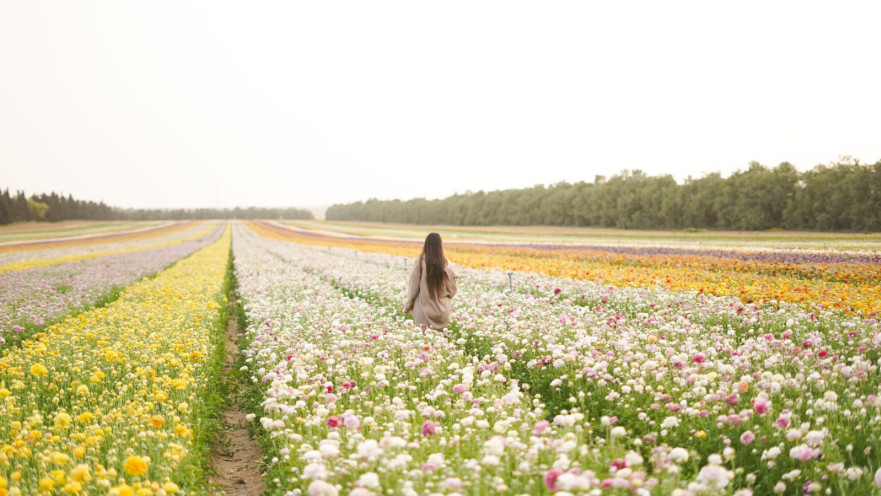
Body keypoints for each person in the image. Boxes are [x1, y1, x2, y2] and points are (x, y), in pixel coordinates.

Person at [404, 232, 458, 330]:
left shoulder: (420, 262)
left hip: (423, 313)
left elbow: (413, 288)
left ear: (426, 245)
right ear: (440, 246)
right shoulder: (447, 264)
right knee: (440, 343)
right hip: (442, 313)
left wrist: (408, 306)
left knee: (423, 342)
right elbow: (452, 291)